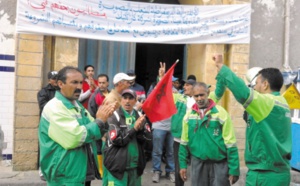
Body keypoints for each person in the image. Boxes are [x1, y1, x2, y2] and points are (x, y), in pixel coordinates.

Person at [213, 54, 292, 186]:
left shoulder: (267, 103)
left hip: (266, 175)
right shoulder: (281, 102)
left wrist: (222, 67)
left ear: (265, 84)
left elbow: (243, 92)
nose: (254, 88)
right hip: (275, 172)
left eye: (256, 84)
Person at [38, 66, 116, 186]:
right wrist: (99, 121)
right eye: (74, 82)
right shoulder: (55, 107)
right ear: (60, 84)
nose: (79, 87)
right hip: (65, 175)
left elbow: (95, 130)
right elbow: (75, 137)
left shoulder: (76, 105)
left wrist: (104, 119)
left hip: (80, 172)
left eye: (80, 82)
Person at [179, 82, 240, 186]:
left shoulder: (221, 114)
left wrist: (234, 169)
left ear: (208, 93)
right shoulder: (188, 116)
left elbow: (230, 144)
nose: (199, 98)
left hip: (220, 164)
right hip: (198, 164)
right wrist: (182, 165)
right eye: (196, 96)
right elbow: (184, 142)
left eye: (201, 95)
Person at [102, 89, 152, 186]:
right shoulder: (113, 116)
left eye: (130, 98)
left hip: (135, 168)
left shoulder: (140, 116)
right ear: (121, 100)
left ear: (135, 100)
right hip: (117, 169)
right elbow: (117, 140)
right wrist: (134, 128)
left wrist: (141, 130)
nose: (127, 101)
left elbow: (149, 142)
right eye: (125, 98)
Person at [151, 62, 175, 183]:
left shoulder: (175, 92)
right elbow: (156, 94)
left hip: (172, 127)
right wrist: (161, 76)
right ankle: (156, 171)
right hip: (158, 125)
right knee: (157, 151)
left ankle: (171, 171)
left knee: (171, 152)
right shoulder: (156, 91)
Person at [87, 73, 110, 179]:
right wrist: (99, 131)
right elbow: (91, 115)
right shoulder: (94, 97)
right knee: (99, 149)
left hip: (111, 128)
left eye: (103, 83)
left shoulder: (113, 96)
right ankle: (100, 172)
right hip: (99, 129)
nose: (101, 85)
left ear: (108, 83)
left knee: (110, 150)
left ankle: (109, 170)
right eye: (99, 83)